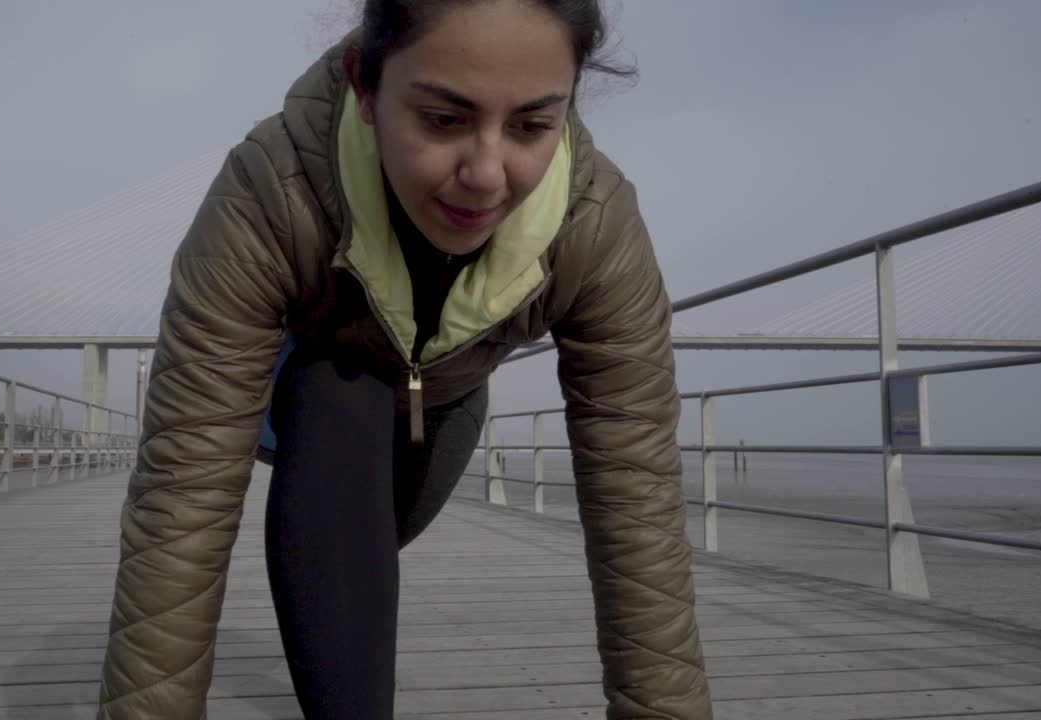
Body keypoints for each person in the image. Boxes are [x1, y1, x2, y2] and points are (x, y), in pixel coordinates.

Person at [96, 1, 713, 718]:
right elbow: (181, 504)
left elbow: (638, 507)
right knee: (339, 386)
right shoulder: (269, 191)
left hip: (446, 403)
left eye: (532, 125)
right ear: (364, 84)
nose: (486, 176)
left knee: (360, 553)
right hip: (312, 403)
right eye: (444, 119)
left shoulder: (595, 226)